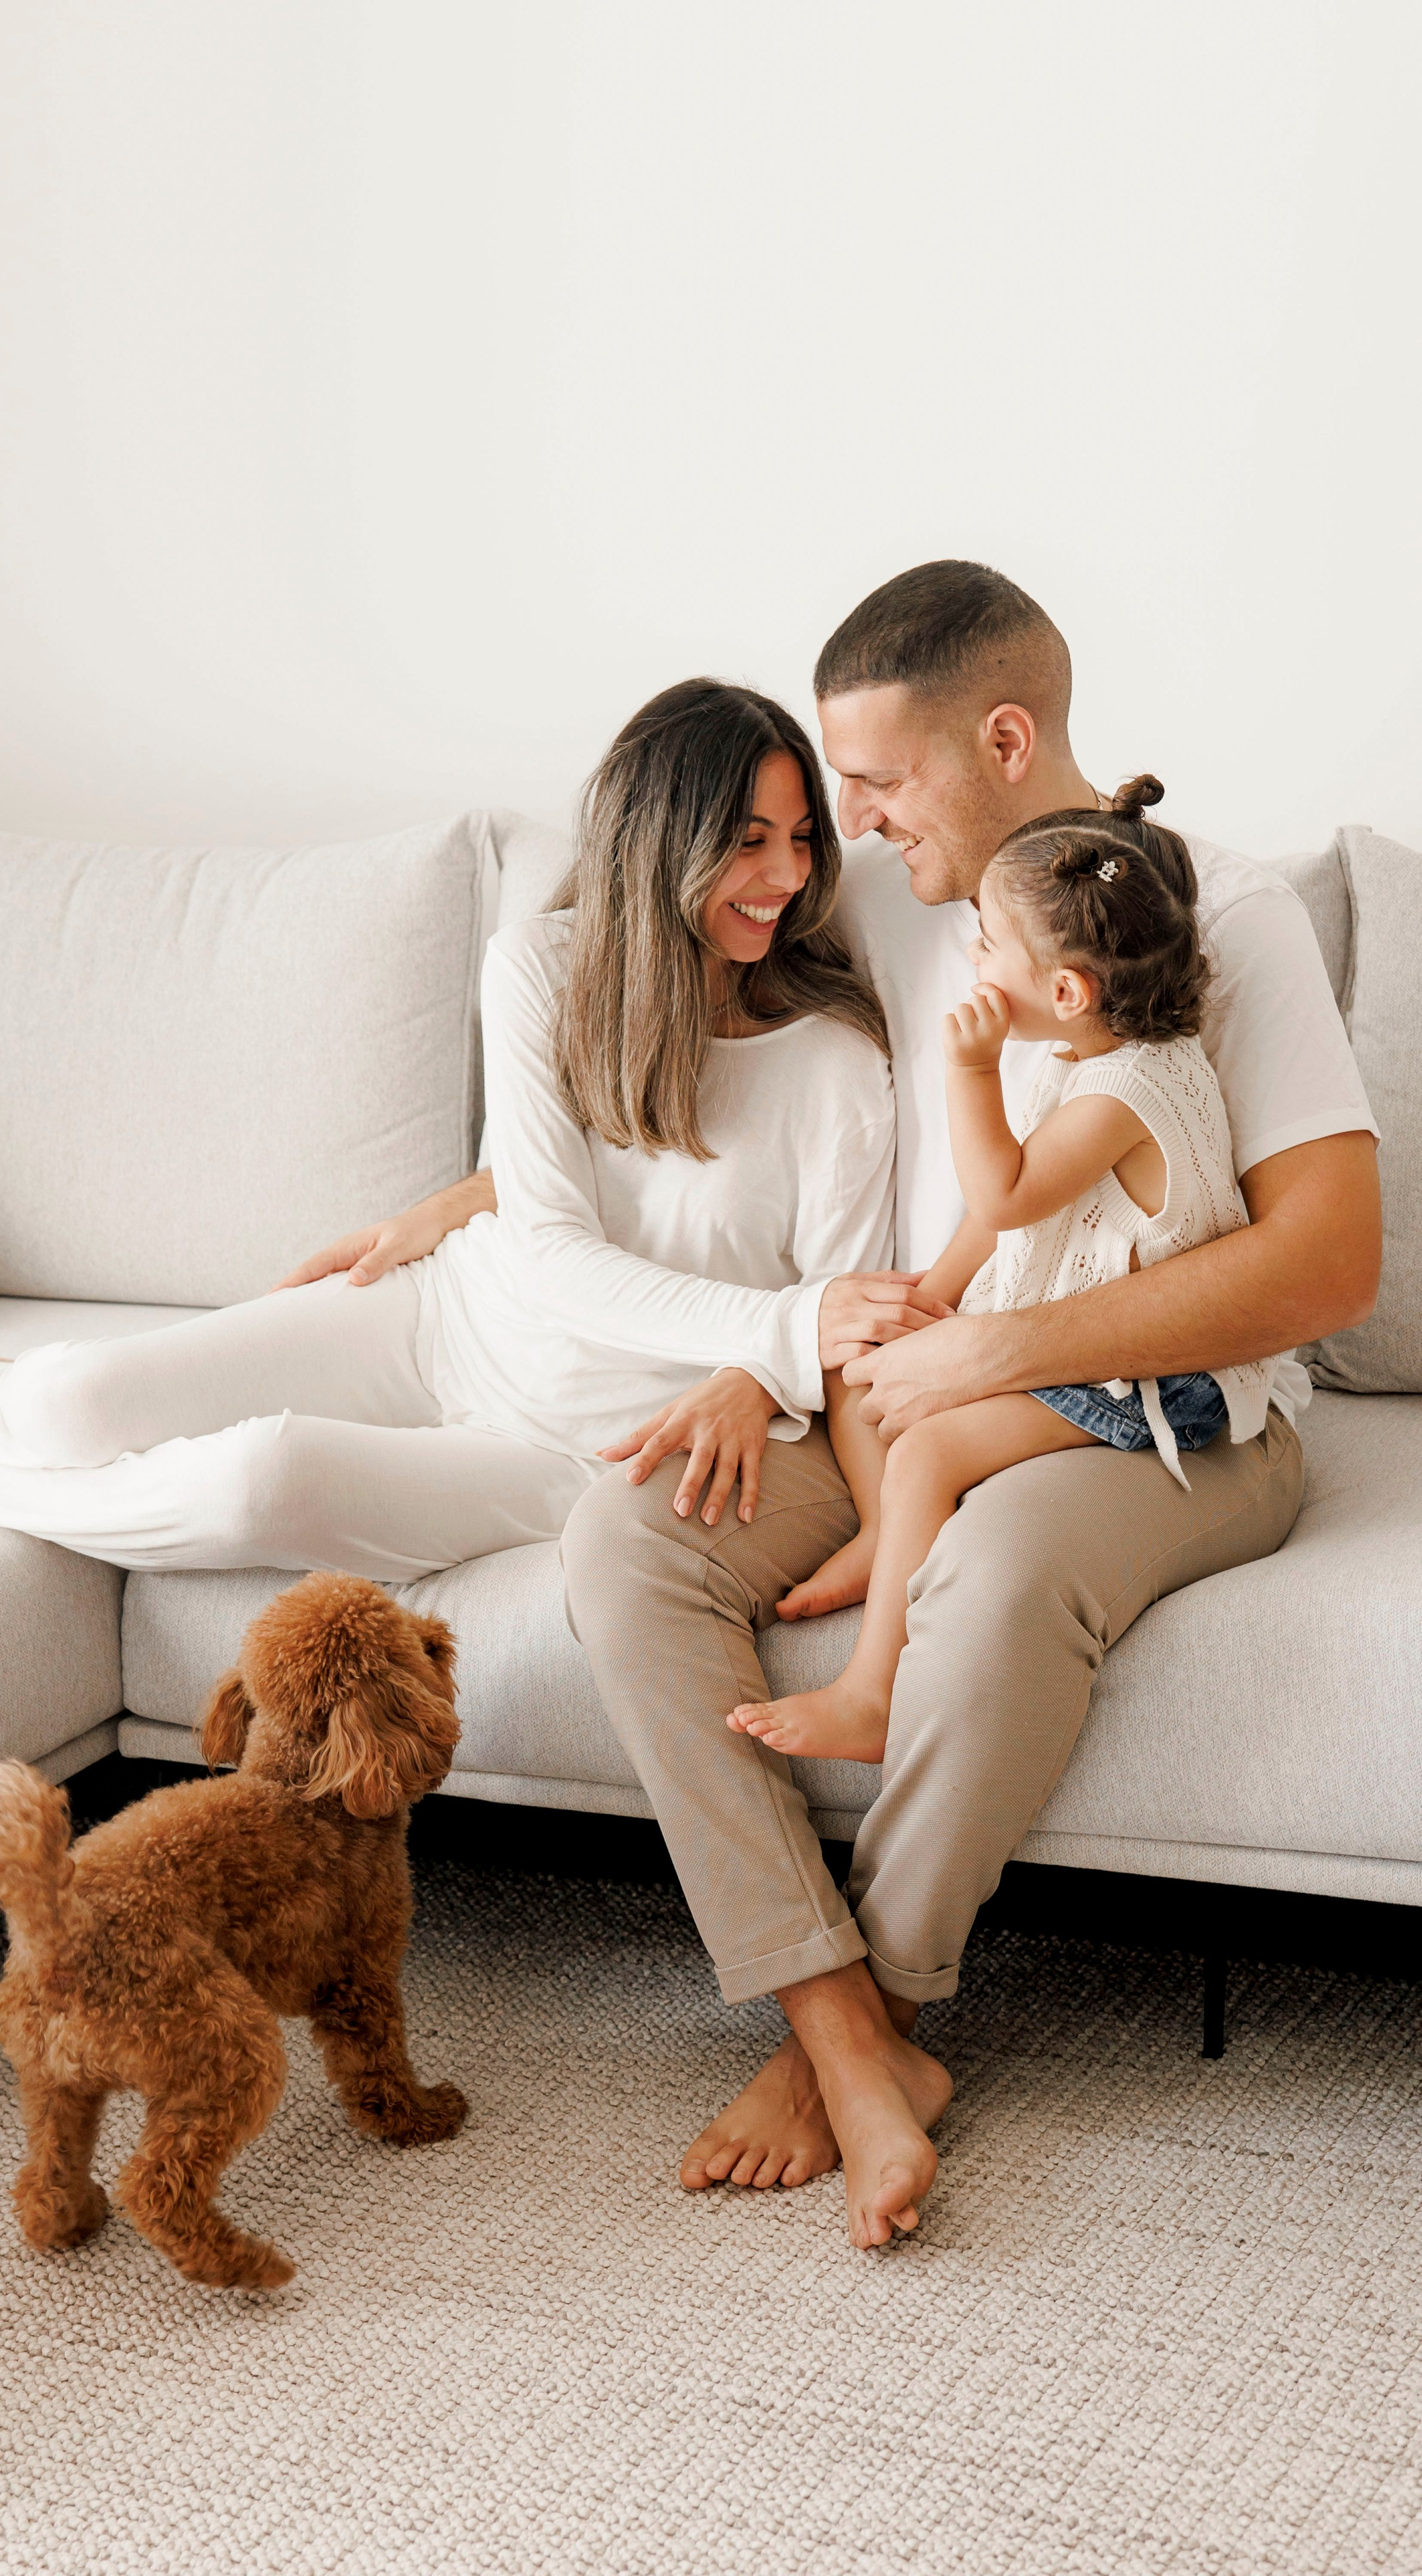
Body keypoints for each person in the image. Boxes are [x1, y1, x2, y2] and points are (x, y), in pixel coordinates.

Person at [278, 562, 1381, 2251]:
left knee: (994, 1575)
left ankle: (891, 2008)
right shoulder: (875, 896)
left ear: (1002, 740)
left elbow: (1328, 1264)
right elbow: (675, 1076)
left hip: (1170, 1414)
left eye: (870, 784)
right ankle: (837, 2028)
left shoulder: (1211, 912)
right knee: (627, 1543)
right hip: (889, 1371)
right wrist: (503, 1215)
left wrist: (998, 1359)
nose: (836, 826)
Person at [0, 674, 901, 1635]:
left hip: (580, 1444)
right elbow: (560, 1236)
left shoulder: (836, 1062)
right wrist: (777, 1328)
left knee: (260, 1480)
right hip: (446, 1319)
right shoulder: (543, 969)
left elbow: (830, 1312)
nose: (789, 875)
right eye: (749, 842)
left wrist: (766, 1365)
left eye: (802, 840)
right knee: (76, 1399)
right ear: (662, 844)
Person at [726, 774, 1280, 1765]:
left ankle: (870, 1693)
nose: (973, 960)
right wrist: (931, 1296)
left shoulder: (1125, 1091)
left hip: (1157, 1380)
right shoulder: (1100, 1061)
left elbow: (1010, 1193)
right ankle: (888, 1532)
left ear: (1065, 993)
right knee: (868, 1367)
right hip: (1075, 1342)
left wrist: (971, 1070)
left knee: (930, 1449)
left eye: (985, 944)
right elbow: (1008, 1219)